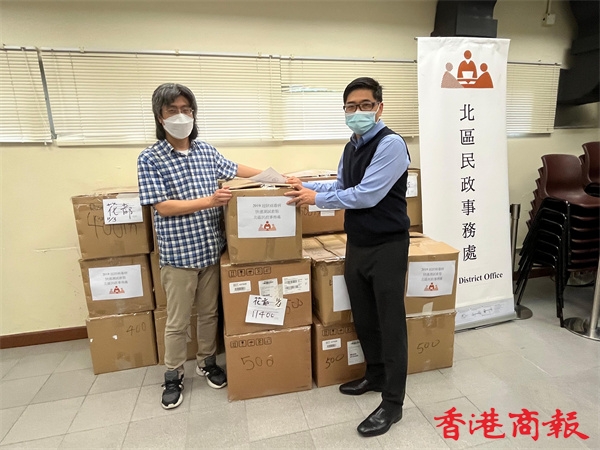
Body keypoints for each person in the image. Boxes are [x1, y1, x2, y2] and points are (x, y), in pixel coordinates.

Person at [285, 77, 411, 437]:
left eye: (365, 105)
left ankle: (393, 403)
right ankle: (375, 374)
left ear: (379, 108)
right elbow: (342, 186)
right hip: (357, 242)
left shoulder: (391, 144)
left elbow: (367, 194)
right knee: (365, 316)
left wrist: (315, 199)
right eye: (351, 107)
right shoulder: (351, 145)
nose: (358, 112)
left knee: (390, 323)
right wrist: (306, 186)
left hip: (388, 245)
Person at [137, 83, 262, 410]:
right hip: (178, 255)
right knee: (177, 321)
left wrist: (273, 176)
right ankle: (173, 373)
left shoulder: (206, 151)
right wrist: (209, 200)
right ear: (160, 117)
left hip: (211, 250)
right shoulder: (150, 158)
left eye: (186, 110)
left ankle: (207, 361)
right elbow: (162, 206)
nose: (181, 116)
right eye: (172, 110)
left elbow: (235, 169)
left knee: (209, 314)